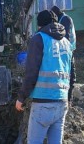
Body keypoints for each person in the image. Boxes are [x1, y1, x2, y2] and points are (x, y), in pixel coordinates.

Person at [15, 10, 73, 144]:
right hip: (62, 102)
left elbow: (31, 72)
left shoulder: (39, 38)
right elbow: (71, 73)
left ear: (40, 25)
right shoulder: (66, 42)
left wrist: (21, 98)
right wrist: (69, 97)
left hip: (43, 103)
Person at [51, 5, 76, 102]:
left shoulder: (65, 19)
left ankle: (68, 98)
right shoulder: (61, 19)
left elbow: (65, 37)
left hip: (68, 49)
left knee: (69, 73)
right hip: (64, 49)